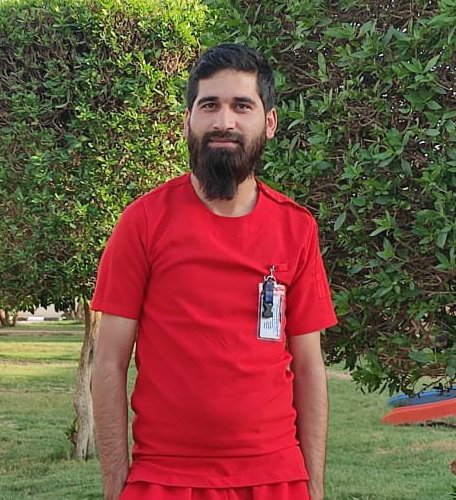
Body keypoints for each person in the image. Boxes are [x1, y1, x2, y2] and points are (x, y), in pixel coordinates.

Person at [91, 43, 337, 500]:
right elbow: (108, 362)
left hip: (276, 475)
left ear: (269, 122)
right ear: (188, 120)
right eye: (209, 105)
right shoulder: (143, 222)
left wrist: (314, 486)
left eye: (242, 106)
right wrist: (115, 482)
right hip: (164, 477)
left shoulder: (297, 228)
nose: (224, 121)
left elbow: (308, 366)